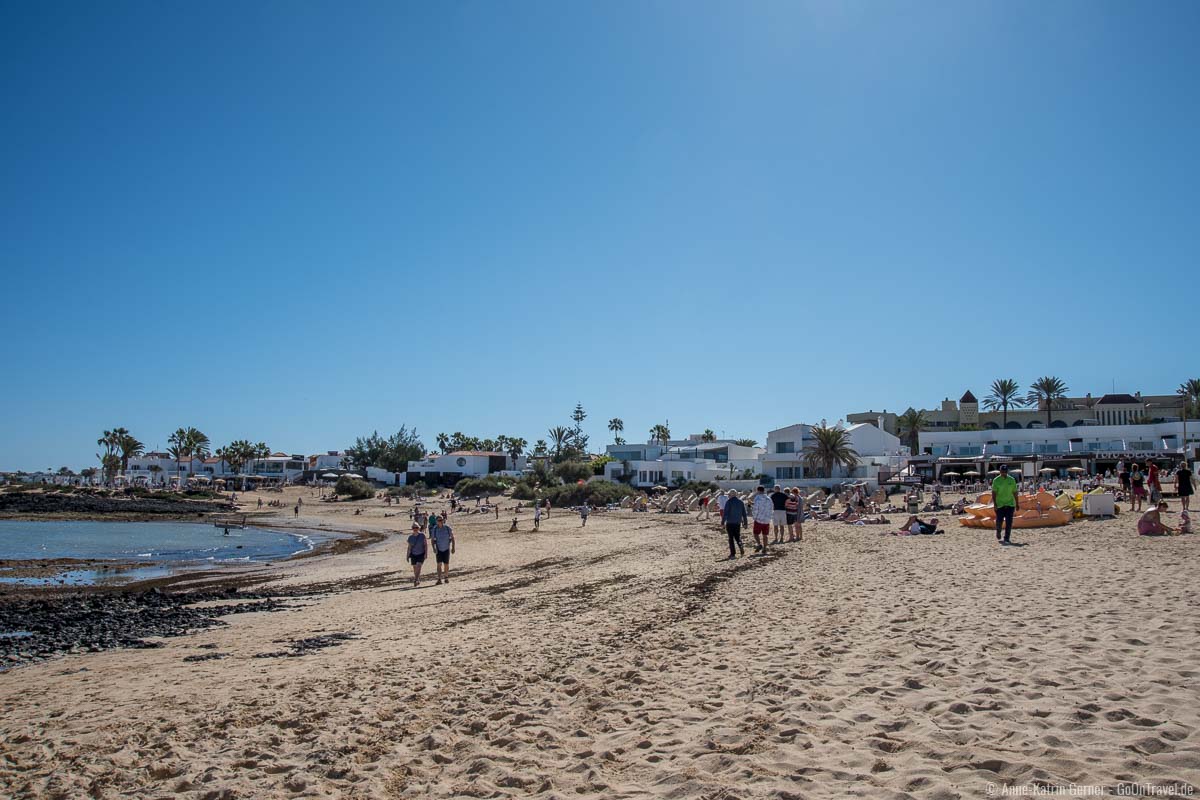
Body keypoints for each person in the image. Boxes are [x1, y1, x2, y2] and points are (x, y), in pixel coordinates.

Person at [991, 464, 1019, 544]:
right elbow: (994, 493)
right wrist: (995, 504)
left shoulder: (1012, 480)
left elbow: (1015, 492)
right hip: (1000, 504)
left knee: (1009, 522)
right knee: (999, 521)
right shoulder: (996, 480)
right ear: (1000, 471)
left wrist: (1017, 503)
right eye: (1002, 472)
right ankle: (998, 531)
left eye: (1005, 472)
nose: (1004, 473)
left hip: (1010, 504)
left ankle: (1006, 538)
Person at [722, 490, 747, 559]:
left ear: (731, 495)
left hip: (730, 522)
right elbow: (744, 514)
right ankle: (741, 547)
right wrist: (745, 523)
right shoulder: (741, 502)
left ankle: (733, 554)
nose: (728, 496)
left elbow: (725, 513)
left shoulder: (729, 502)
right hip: (738, 523)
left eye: (729, 495)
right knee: (737, 537)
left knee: (731, 539)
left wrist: (722, 522)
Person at [430, 515, 455, 584]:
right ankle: (439, 579)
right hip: (439, 549)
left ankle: (446, 577)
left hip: (446, 548)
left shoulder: (447, 528)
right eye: (439, 520)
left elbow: (452, 538)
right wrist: (434, 548)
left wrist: (453, 547)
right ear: (436, 521)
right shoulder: (434, 529)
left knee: (446, 564)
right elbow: (432, 540)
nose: (440, 521)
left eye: (441, 520)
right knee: (439, 564)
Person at [751, 486, 774, 552]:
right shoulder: (769, 499)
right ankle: (765, 547)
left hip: (759, 519)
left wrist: (754, 517)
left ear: (758, 490)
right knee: (765, 535)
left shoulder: (757, 498)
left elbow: (756, 509)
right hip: (767, 519)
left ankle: (759, 544)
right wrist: (770, 517)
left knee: (756, 533)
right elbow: (771, 508)